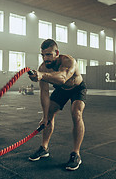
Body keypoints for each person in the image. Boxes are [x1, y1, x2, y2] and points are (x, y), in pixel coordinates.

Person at [28, 39, 87, 171]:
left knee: (76, 112)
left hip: (77, 88)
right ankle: (44, 148)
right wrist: (44, 117)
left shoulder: (68, 61)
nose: (45, 58)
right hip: (61, 90)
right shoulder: (42, 67)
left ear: (57, 53)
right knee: (49, 114)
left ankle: (76, 154)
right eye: (43, 55)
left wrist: (42, 75)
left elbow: (62, 78)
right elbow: (44, 93)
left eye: (49, 54)